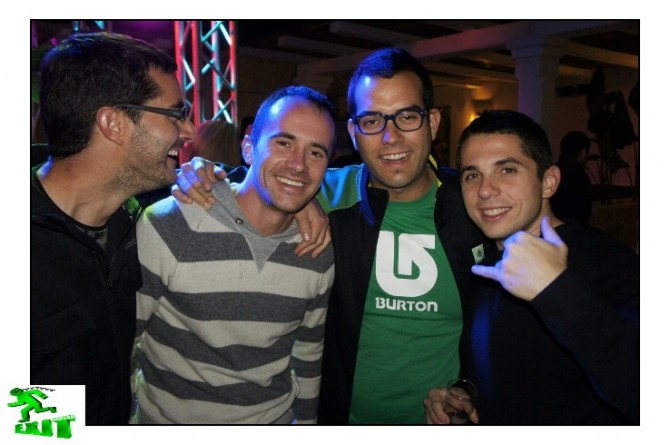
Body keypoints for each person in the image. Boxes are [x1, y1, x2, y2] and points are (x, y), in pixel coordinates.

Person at [173, 48, 486, 424]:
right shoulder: (328, 192)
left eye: (407, 117)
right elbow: (263, 180)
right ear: (353, 133)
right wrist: (202, 172)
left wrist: (470, 390)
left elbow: (506, 331)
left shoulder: (474, 207)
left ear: (432, 123)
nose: (391, 137)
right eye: (372, 120)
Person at [131, 86, 336, 424]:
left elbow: (308, 355)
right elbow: (124, 344)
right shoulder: (171, 224)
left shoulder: (317, 248)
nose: (299, 165)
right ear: (249, 146)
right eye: (283, 143)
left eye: (316, 152)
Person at [424, 110, 639, 425]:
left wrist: (557, 289)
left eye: (507, 170)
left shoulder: (607, 262)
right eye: (472, 175)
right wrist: (464, 397)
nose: (485, 190)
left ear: (548, 182)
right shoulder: (484, 268)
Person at [30, 32, 197, 425]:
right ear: (114, 123)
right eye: (175, 115)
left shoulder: (139, 217)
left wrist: (298, 204)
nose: (189, 131)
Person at [550, 130, 593, 224]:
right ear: (583, 152)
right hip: (574, 228)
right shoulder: (580, 176)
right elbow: (584, 212)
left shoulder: (551, 172)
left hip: (551, 226)